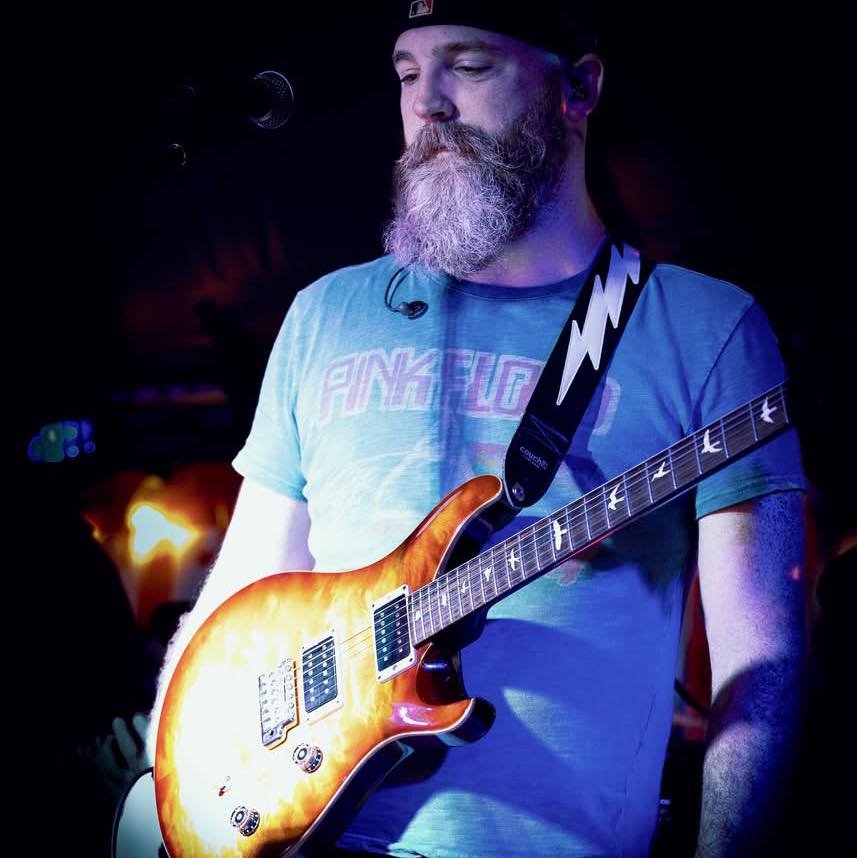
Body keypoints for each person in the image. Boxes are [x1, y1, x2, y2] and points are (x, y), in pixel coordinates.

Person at [147, 2, 808, 856]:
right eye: (407, 72)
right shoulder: (325, 313)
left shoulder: (705, 328)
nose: (428, 103)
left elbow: (761, 670)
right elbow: (235, 592)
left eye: (468, 66)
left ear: (578, 87)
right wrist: (161, 792)